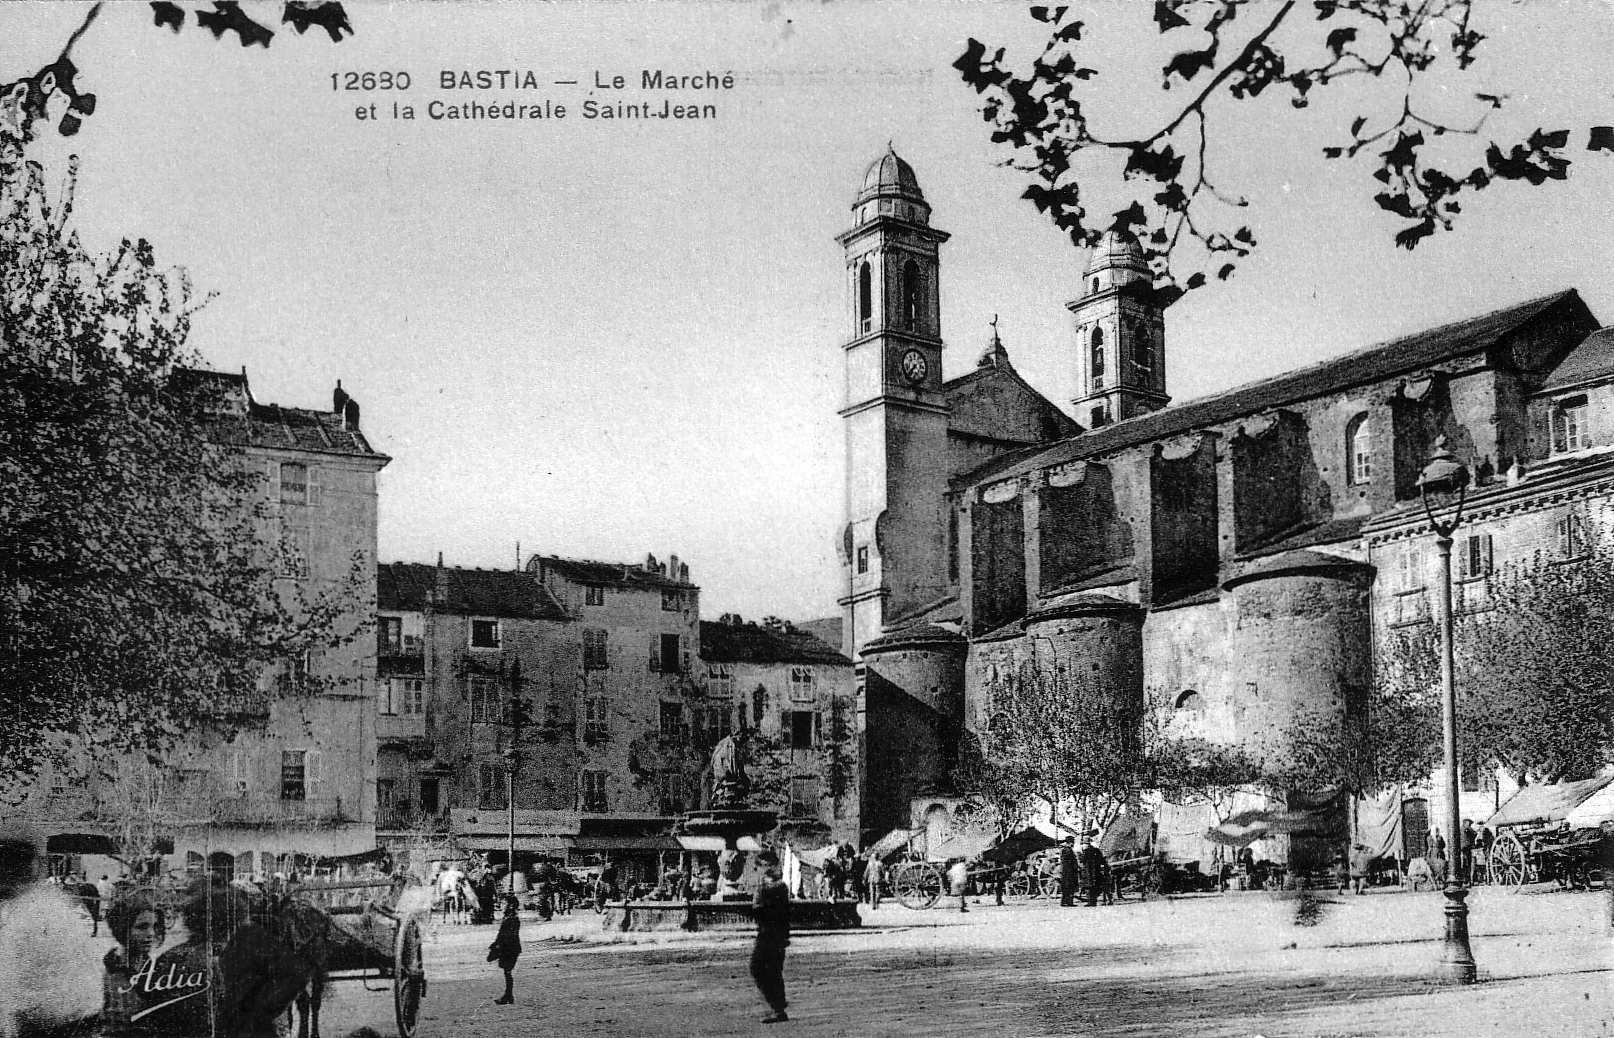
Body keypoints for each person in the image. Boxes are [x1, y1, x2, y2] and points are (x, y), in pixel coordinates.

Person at [101, 893, 166, 1036]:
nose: (151, 934)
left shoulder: (147, 963)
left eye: (155, 926)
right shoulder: (116, 971)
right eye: (142, 927)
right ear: (123, 929)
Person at [751, 851, 790, 1024]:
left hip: (770, 933)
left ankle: (778, 1008)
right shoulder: (773, 885)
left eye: (762, 865)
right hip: (771, 933)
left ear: (770, 866)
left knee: (761, 969)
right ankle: (778, 1007)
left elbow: (769, 911)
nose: (760, 869)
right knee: (770, 970)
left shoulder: (775, 886)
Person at [488, 894, 521, 1005]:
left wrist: (499, 945)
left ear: (511, 905)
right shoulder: (509, 917)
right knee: (507, 972)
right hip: (508, 948)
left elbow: (509, 935)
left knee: (507, 971)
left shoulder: (512, 919)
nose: (502, 905)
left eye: (504, 903)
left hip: (510, 949)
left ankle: (508, 995)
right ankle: (508, 995)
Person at [1078, 835, 1108, 907]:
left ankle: (1090, 902)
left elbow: (1082, 860)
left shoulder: (1085, 851)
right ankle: (1094, 901)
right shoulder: (1096, 850)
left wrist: (1080, 855)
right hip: (1096, 872)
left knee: (1089, 887)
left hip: (1088, 872)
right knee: (1095, 886)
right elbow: (1102, 860)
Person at [1058, 837, 1078, 907]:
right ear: (1070, 842)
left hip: (1065, 871)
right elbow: (1071, 862)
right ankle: (1069, 902)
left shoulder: (1064, 850)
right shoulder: (1068, 850)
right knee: (1069, 887)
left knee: (1065, 887)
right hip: (1069, 871)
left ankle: (1064, 902)